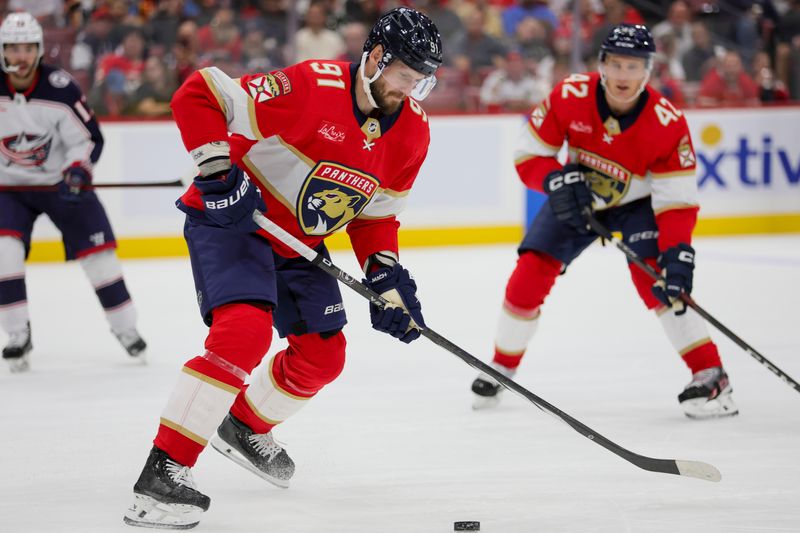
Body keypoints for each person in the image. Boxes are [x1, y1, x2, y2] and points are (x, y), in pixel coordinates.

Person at [123, 7, 442, 530]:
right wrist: (217, 169)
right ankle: (164, 470)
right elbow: (200, 92)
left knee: (323, 355)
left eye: (422, 82)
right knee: (242, 334)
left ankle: (244, 426)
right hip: (234, 222)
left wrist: (387, 277)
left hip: (297, 241)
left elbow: (375, 216)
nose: (411, 91)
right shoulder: (310, 86)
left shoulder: (412, 133)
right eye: (407, 76)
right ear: (377, 58)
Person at [470, 24, 738, 420]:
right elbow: (529, 156)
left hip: (639, 206)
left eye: (633, 66)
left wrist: (678, 251)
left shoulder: (667, 121)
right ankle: (502, 366)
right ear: (602, 65)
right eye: (615, 65)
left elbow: (676, 202)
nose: (623, 76)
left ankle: (711, 374)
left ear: (647, 71)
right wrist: (555, 178)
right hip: (580, 197)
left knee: (660, 282)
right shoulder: (570, 95)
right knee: (529, 273)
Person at [0, 12, 147, 373]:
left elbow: (88, 139)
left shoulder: (60, 87)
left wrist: (78, 169)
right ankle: (18, 334)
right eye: (13, 48)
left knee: (100, 258)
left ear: (38, 50)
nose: (21, 56)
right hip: (9, 189)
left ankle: (126, 329)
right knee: (3, 252)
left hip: (61, 185)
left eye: (28, 47)